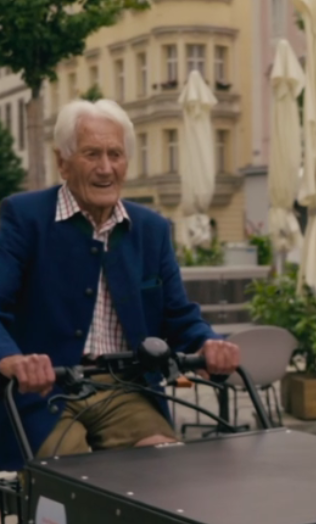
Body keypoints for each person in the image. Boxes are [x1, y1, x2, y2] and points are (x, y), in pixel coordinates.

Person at [0, 99, 240, 469]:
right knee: (75, 478)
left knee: (165, 469)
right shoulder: (23, 216)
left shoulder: (151, 229)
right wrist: (13, 359)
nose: (106, 168)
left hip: (126, 389)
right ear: (62, 162)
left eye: (116, 154)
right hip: (46, 392)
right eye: (91, 154)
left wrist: (209, 343)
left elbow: (178, 315)